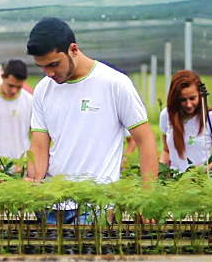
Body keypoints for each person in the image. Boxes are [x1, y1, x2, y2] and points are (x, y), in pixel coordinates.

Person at [25, 17, 158, 224]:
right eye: (42, 67)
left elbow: (145, 140)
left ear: (73, 49)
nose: (49, 73)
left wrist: (147, 197)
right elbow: (39, 146)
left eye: (54, 64)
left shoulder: (115, 84)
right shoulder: (43, 89)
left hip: (96, 205)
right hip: (52, 203)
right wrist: (33, 180)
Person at [159, 70, 212, 172]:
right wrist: (160, 172)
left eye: (192, 98)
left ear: (200, 95)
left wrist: (199, 172)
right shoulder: (167, 115)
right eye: (182, 100)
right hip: (174, 183)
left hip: (201, 181)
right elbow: (166, 151)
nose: (188, 104)